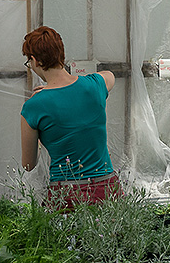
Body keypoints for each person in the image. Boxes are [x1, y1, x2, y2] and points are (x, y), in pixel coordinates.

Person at [20, 26, 122, 210]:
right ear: (61, 54)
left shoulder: (34, 106)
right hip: (108, 190)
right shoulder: (94, 86)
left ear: (34, 61)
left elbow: (28, 164)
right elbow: (110, 76)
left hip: (67, 196)